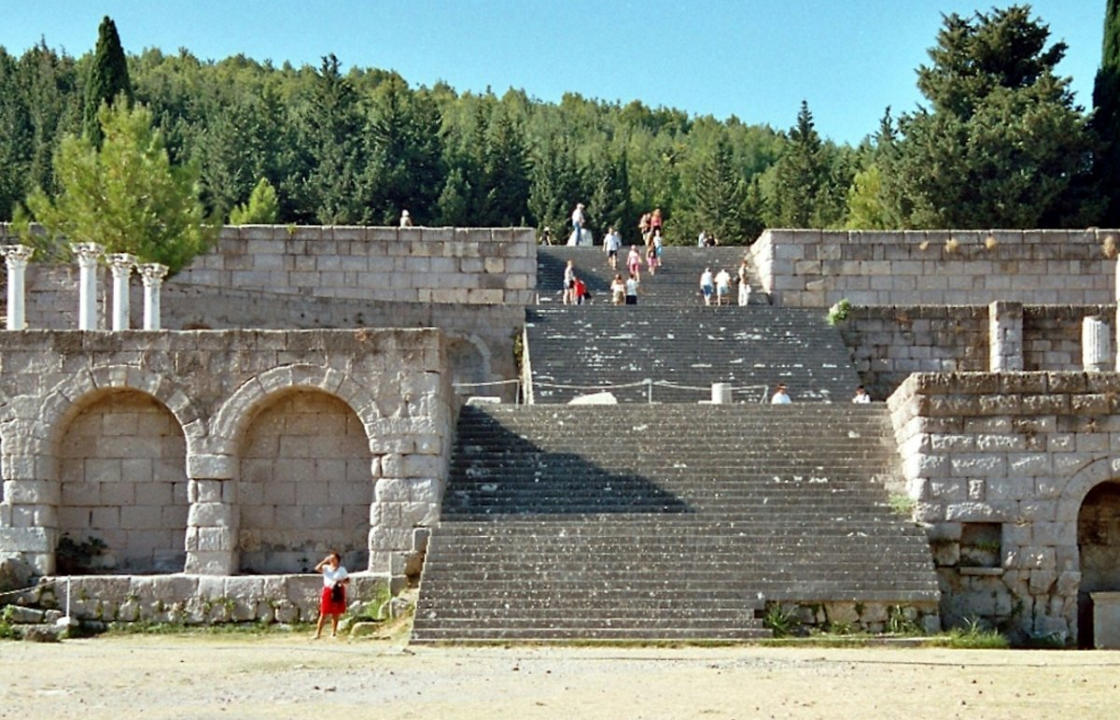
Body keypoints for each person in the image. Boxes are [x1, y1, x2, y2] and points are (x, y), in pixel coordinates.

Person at [314, 551, 350, 639]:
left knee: (336, 613)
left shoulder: (342, 569)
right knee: (324, 612)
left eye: (333, 558)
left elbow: (347, 580)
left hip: (337, 590)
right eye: (330, 558)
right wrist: (324, 561)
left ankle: (333, 633)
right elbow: (317, 568)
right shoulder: (326, 568)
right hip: (328, 590)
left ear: (337, 560)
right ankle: (318, 633)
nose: (331, 560)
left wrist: (340, 581)